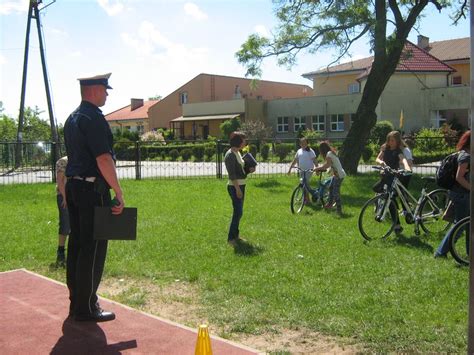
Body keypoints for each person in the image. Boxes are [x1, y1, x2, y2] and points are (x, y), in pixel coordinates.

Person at [64, 73, 124, 322]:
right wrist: (118, 192)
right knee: (93, 248)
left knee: (77, 245)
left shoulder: (72, 118)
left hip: (74, 188)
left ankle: (77, 301)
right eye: (104, 89)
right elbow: (103, 158)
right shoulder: (95, 119)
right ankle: (86, 307)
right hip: (92, 191)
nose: (107, 93)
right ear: (92, 90)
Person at [434, 130, 470, 258]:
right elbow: (459, 177)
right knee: (459, 226)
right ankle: (440, 252)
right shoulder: (466, 156)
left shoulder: (464, 154)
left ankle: (470, 253)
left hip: (461, 194)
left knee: (469, 225)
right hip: (462, 195)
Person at [373, 130, 412, 233]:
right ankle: (397, 222)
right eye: (389, 140)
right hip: (385, 176)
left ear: (398, 141)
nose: (390, 142)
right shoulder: (385, 148)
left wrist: (407, 167)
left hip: (393, 176)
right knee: (378, 190)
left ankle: (398, 224)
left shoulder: (398, 151)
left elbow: (403, 160)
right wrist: (381, 162)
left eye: (393, 141)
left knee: (392, 198)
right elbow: (378, 158)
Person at [224, 131, 255, 246]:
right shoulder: (230, 155)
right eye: (243, 140)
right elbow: (232, 175)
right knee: (238, 212)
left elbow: (241, 171)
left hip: (241, 184)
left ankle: (235, 236)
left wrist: (248, 170)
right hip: (234, 186)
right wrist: (237, 189)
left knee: (239, 212)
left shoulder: (237, 152)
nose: (245, 142)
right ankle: (231, 239)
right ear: (238, 142)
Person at [315, 141, 346, 215]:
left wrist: (317, 168)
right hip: (337, 174)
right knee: (331, 188)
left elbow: (327, 165)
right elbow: (331, 164)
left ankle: (339, 210)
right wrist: (325, 170)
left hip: (339, 175)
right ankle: (330, 204)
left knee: (336, 192)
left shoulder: (329, 154)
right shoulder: (331, 153)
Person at [287, 137, 317, 204]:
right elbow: (295, 160)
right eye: (302, 143)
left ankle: (308, 199)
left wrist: (317, 168)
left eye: (305, 143)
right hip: (301, 170)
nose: (303, 144)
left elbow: (314, 160)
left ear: (307, 143)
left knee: (304, 183)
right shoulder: (299, 151)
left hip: (309, 170)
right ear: (300, 144)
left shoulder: (310, 151)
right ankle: (309, 198)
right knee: (304, 184)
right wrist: (290, 169)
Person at [55, 156, 70, 268]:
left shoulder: (82, 158)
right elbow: (60, 181)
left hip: (78, 196)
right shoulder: (63, 161)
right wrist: (65, 197)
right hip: (64, 196)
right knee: (65, 224)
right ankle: (61, 251)